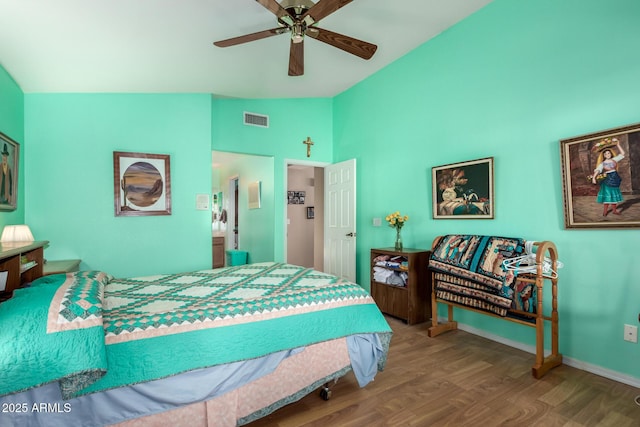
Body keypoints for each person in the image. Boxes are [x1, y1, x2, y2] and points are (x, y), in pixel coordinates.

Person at [591, 140, 625, 216]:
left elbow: (622, 154)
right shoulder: (602, 163)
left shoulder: (614, 160)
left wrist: (618, 145)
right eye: (605, 154)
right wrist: (594, 178)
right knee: (607, 195)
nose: (607, 154)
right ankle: (605, 211)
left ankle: (614, 210)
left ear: (611, 153)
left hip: (615, 178)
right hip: (607, 179)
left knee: (613, 195)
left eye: (608, 153)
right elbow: (598, 170)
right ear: (604, 155)